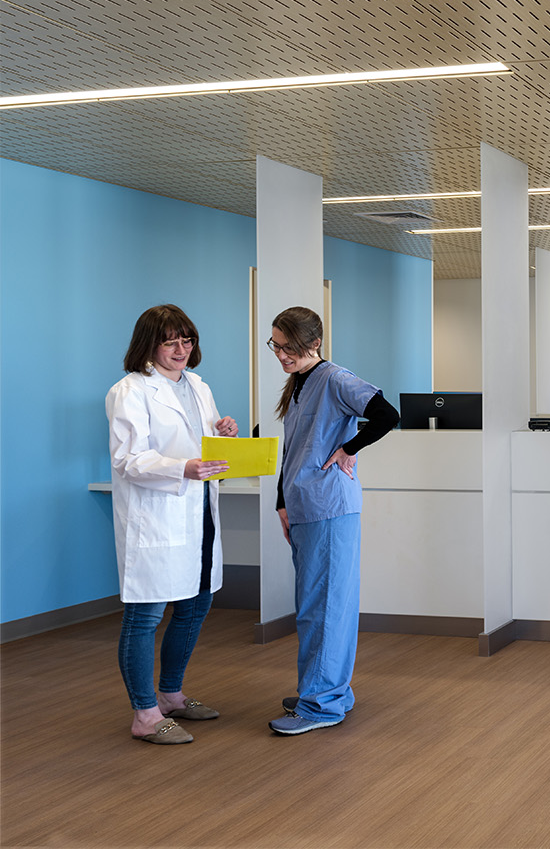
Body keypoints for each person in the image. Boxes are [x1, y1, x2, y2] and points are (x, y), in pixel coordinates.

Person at [106, 305, 238, 744]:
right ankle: (144, 715)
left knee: (196, 605)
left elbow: (201, 444)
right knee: (144, 614)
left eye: (188, 339)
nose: (182, 349)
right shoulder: (130, 391)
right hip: (157, 516)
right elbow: (129, 460)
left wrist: (223, 432)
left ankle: (171, 695)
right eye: (170, 341)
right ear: (149, 344)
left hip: (198, 511)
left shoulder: (198, 385)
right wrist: (183, 467)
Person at [267, 306, 400, 735]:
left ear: (315, 343)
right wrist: (282, 503)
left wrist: (351, 448)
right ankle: (328, 691)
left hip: (328, 505)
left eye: (289, 347)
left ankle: (321, 704)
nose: (282, 355)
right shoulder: (299, 384)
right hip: (305, 507)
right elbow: (292, 450)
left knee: (323, 608)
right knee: (317, 605)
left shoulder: (335, 379)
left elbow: (387, 415)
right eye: (276, 346)